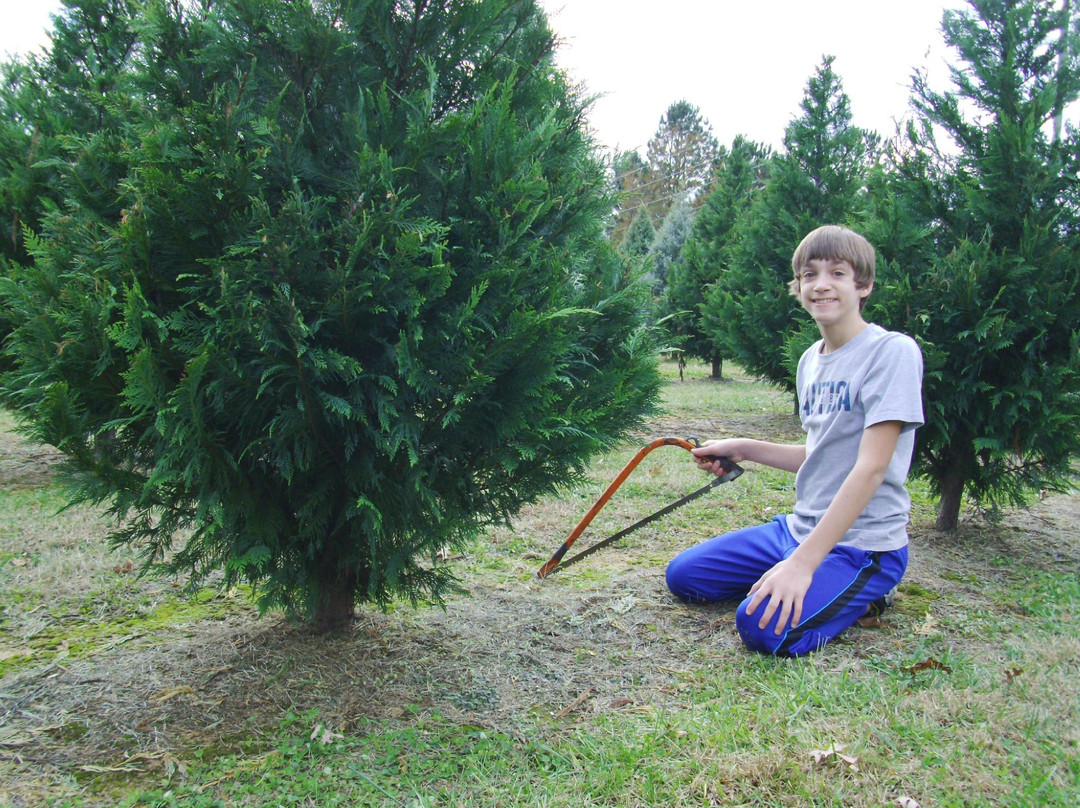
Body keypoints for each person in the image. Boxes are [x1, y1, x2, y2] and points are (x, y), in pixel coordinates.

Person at [666, 225, 924, 657]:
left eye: (837, 273)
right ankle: (795, 573)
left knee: (761, 629)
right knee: (685, 577)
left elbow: (871, 467)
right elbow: (819, 454)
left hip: (862, 547)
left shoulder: (891, 352)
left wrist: (804, 564)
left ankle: (868, 594)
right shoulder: (810, 361)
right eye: (809, 274)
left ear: (864, 285)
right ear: (798, 287)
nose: (821, 284)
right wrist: (743, 447)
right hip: (798, 529)